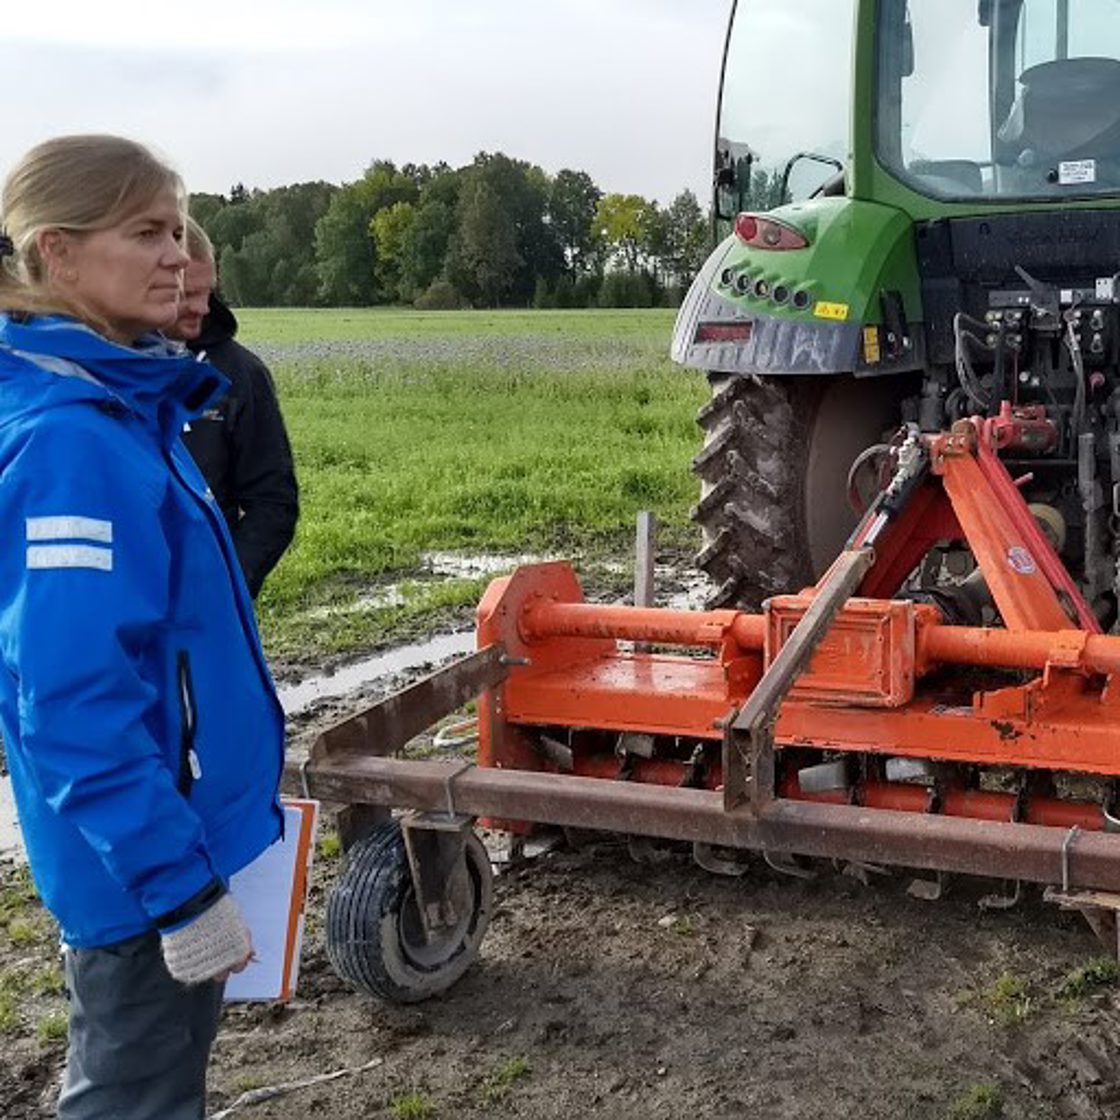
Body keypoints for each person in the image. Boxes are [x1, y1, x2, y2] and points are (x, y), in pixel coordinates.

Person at [0, 134, 284, 1119]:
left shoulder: (123, 410)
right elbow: (72, 705)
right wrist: (179, 891)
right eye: (147, 232)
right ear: (57, 253)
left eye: (178, 229)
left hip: (162, 844)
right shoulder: (72, 441)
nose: (179, 257)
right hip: (137, 876)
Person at [167, 219, 298, 598]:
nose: (202, 307)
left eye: (208, 292)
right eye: (186, 294)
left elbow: (272, 503)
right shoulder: (91, 371)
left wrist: (222, 589)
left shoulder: (240, 374)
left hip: (204, 602)